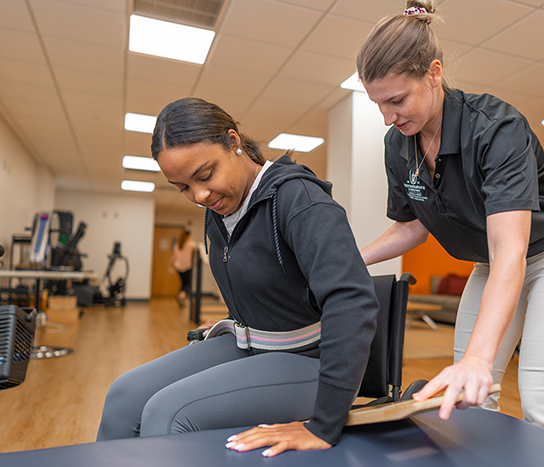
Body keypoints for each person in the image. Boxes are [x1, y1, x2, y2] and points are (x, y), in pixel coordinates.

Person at [356, 1, 544, 441]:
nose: (389, 117)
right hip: (493, 262)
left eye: (397, 100)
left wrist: (477, 356)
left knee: (543, 404)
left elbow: (512, 248)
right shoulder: (399, 144)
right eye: (378, 104)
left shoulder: (496, 129)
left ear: (433, 73)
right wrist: (355, 260)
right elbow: (413, 224)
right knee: (469, 395)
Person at [96, 97, 379, 457]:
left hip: (312, 362)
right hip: (251, 346)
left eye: (205, 175)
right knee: (124, 395)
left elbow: (353, 303)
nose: (199, 195)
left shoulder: (299, 199)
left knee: (167, 414)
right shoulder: (218, 211)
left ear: (234, 142)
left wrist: (324, 425)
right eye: (182, 187)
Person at [170, 229, 196, 307]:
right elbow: (195, 255)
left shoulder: (177, 244)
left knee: (183, 283)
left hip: (178, 267)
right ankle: (181, 296)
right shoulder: (191, 244)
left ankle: (182, 300)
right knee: (187, 284)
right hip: (187, 266)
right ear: (189, 236)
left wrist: (171, 266)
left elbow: (173, 256)